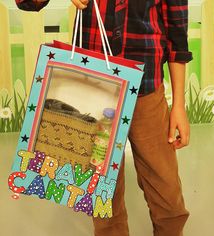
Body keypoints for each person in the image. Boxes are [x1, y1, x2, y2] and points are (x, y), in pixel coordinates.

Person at [15, 0, 193, 235]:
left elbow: (177, 35)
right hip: (94, 90)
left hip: (146, 90)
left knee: (166, 190)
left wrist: (178, 104)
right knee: (102, 194)